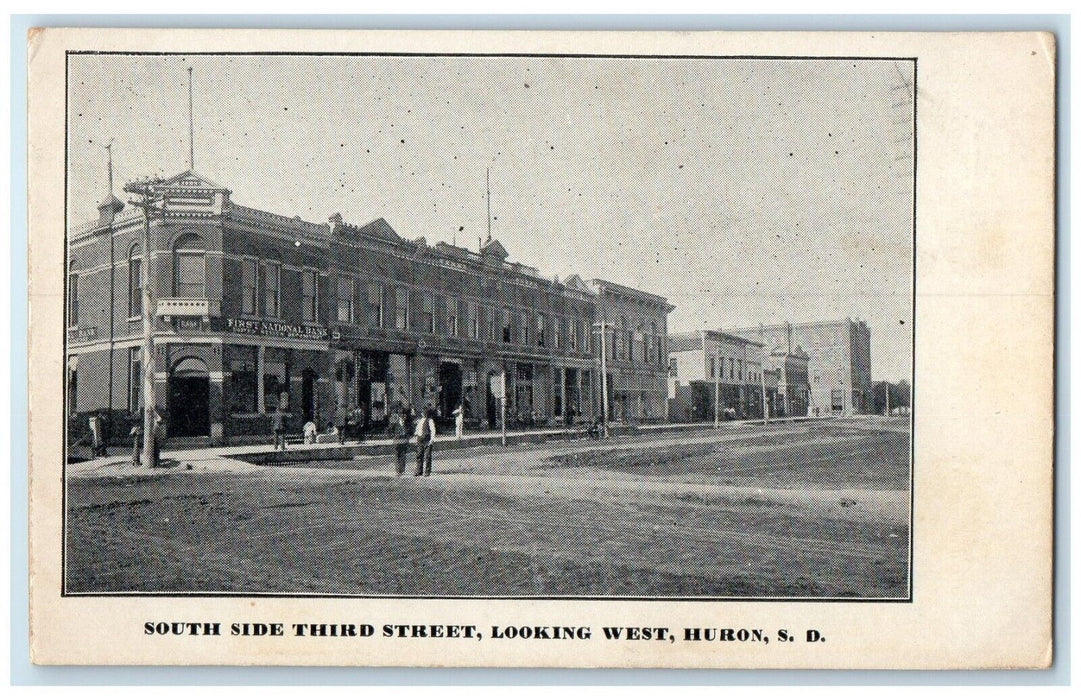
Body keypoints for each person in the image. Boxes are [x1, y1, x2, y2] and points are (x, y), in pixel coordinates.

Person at [413, 407, 436, 477]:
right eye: (422, 412)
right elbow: (417, 430)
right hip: (420, 439)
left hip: (427, 439)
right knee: (419, 455)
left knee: (427, 456)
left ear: (427, 413)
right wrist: (416, 437)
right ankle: (419, 471)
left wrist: (432, 440)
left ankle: (427, 471)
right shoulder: (420, 420)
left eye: (424, 412)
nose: (423, 413)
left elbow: (433, 430)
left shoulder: (430, 420)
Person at [388, 406, 409, 477]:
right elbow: (390, 428)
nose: (403, 415)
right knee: (397, 455)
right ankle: (397, 471)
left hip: (404, 439)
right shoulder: (395, 420)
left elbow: (409, 429)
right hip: (397, 438)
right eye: (402, 414)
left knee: (403, 455)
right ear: (399, 414)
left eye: (404, 414)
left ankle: (402, 470)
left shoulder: (406, 421)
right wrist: (392, 435)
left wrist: (407, 437)